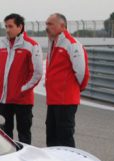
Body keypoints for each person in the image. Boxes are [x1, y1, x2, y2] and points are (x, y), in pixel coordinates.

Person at [0, 13, 43, 145]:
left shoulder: (31, 45)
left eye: (11, 26)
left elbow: (37, 73)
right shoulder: (2, 44)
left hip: (22, 100)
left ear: (20, 27)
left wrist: (22, 89)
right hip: (4, 99)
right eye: (6, 27)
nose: (7, 30)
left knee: (24, 134)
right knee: (4, 135)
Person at [44, 13, 89, 148]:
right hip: (53, 99)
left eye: (50, 24)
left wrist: (72, 90)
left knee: (65, 139)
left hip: (65, 100)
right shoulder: (53, 43)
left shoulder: (72, 44)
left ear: (62, 26)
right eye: (46, 24)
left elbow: (81, 72)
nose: (47, 27)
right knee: (51, 137)